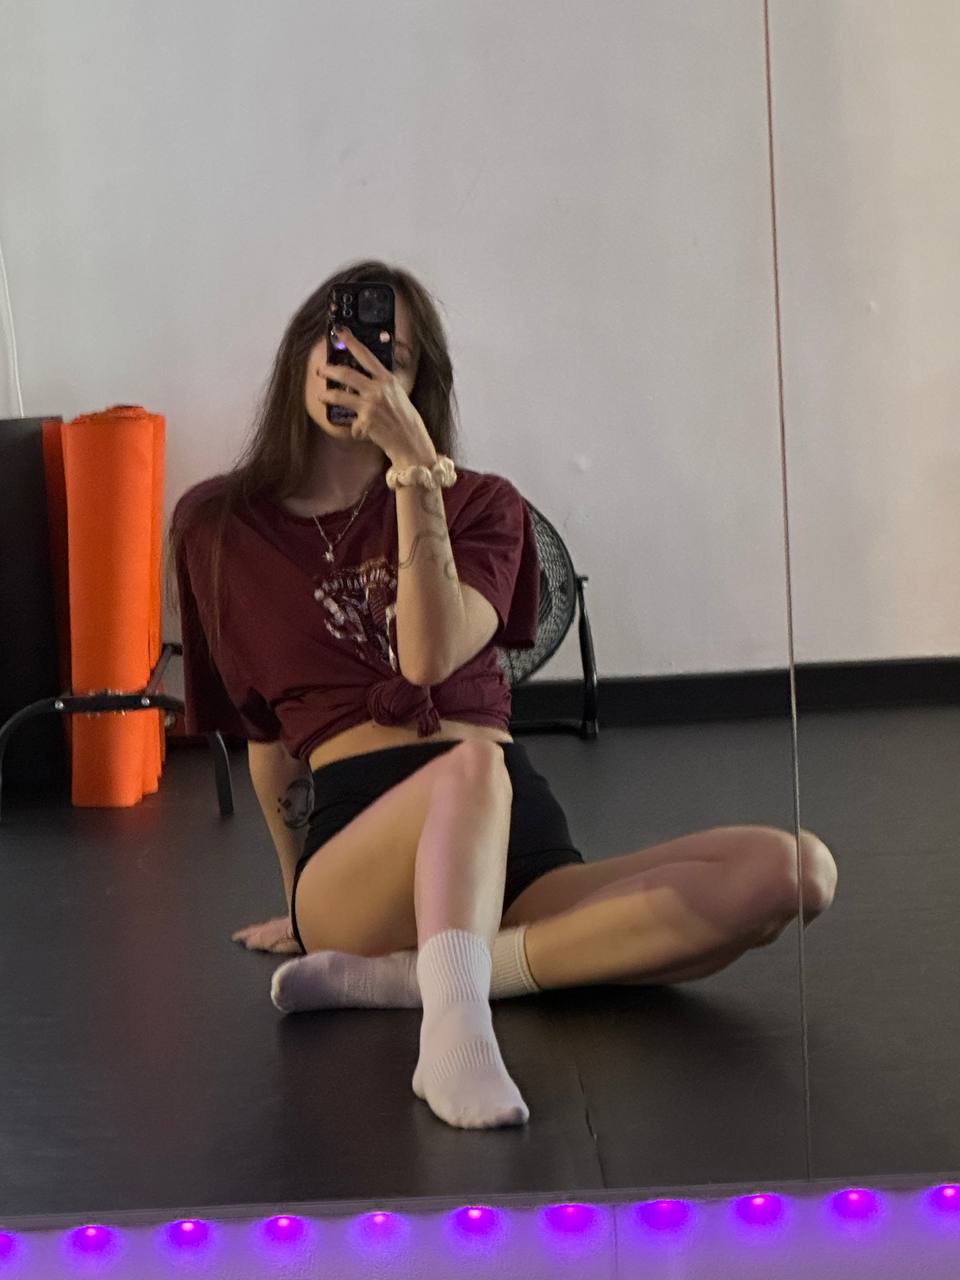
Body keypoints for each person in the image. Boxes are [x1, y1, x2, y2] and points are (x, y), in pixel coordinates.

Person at [167, 260, 838, 1132]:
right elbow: (267, 738)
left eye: (390, 358)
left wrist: (416, 473)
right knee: (470, 768)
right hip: (366, 849)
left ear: (418, 385)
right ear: (302, 355)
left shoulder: (483, 505)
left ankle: (428, 976)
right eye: (342, 345)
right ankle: (454, 1031)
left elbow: (430, 652)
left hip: (513, 840)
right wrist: (301, 901)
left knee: (793, 872)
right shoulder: (221, 527)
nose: (361, 369)